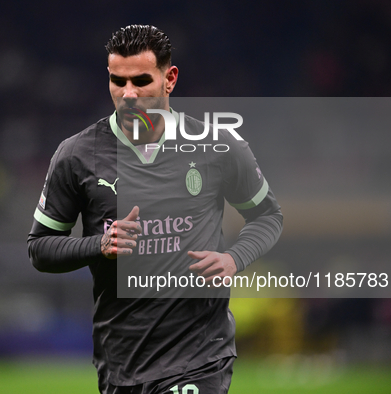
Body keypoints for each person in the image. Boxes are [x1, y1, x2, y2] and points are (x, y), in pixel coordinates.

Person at [27, 24, 283, 394]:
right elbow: (40, 248)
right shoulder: (77, 155)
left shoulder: (218, 146)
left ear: (170, 78)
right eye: (118, 81)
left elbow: (267, 215)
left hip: (200, 354)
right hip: (122, 360)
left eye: (141, 80)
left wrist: (234, 259)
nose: (127, 94)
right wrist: (98, 245)